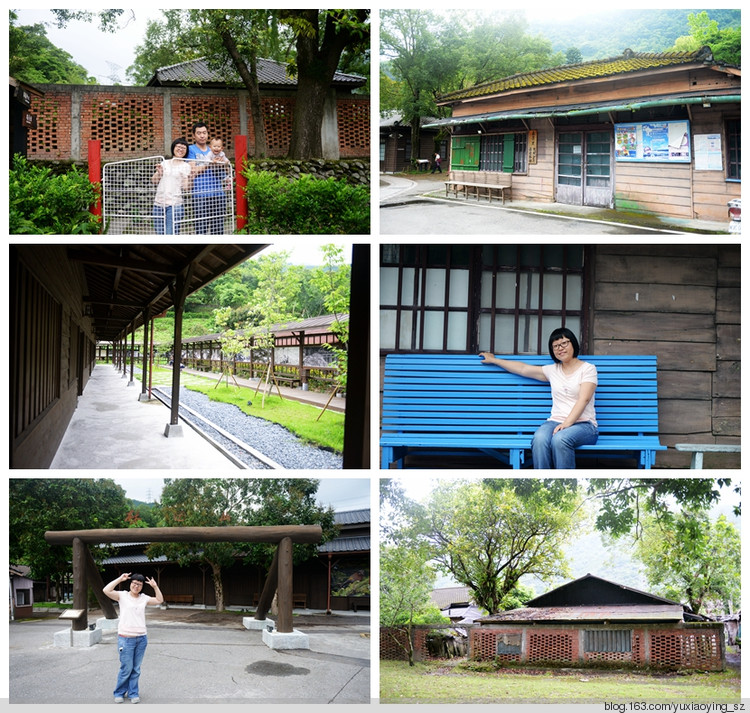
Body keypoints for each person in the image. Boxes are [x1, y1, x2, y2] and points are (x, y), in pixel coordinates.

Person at [479, 327, 598, 469]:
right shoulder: (552, 370)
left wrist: (566, 424)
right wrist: (495, 360)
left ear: (573, 343)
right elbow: (523, 369)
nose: (560, 348)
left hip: (584, 425)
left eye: (564, 343)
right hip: (555, 422)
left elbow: (583, 399)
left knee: (560, 440)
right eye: (555, 346)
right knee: (540, 439)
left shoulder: (588, 369)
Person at [103, 572, 164, 704]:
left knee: (136, 668)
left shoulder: (144, 598)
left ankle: (133, 693)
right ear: (130, 584)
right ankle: (119, 692)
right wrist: (120, 579)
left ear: (142, 586)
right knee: (126, 668)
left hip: (141, 638)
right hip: (126, 638)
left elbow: (159, 600)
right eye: (134, 583)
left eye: (139, 584)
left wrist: (155, 586)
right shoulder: (122, 595)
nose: (136, 586)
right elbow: (106, 590)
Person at [188, 123, 227, 234]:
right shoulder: (191, 150)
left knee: (218, 230)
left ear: (207, 134)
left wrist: (223, 165)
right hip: (200, 194)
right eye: (199, 133)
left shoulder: (216, 149)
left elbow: (223, 171)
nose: (202, 136)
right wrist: (209, 163)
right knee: (201, 230)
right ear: (194, 135)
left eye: (204, 133)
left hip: (218, 193)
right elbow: (193, 171)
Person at [151, 138, 191, 234]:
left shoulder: (186, 166)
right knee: (159, 234)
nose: (180, 149)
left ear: (186, 151)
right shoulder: (164, 162)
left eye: (183, 148)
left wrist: (188, 178)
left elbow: (186, 188)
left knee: (171, 234)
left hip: (175, 204)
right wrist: (159, 173)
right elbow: (154, 181)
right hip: (159, 203)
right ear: (173, 148)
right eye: (178, 147)